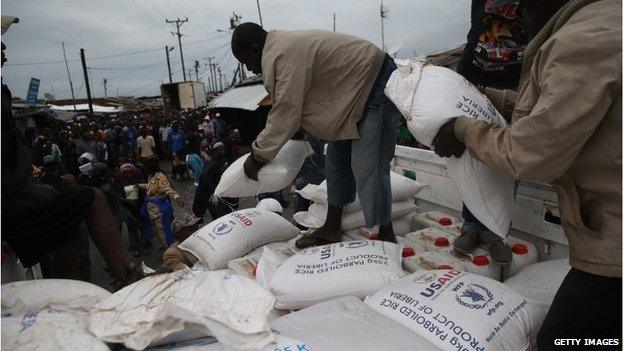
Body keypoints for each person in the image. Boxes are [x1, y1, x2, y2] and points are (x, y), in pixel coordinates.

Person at [432, 0, 621, 347]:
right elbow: (554, 108)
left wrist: (462, 129)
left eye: (523, 4)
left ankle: (487, 231)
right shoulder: (602, 21)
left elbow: (529, 154)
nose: (517, 14)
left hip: (615, 243)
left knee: (559, 340)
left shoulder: (581, 40)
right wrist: (492, 97)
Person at [231, 22, 401, 249]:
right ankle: (332, 227)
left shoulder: (283, 54)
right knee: (336, 162)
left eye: (246, 62)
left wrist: (257, 157)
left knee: (367, 165)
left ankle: (386, 233)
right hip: (349, 96)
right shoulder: (280, 51)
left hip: (374, 83)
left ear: (254, 48)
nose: (249, 69)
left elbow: (285, 111)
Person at [1, 15, 129, 285]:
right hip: (13, 204)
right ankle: (126, 277)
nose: (4, 51)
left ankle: (63, 296)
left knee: (71, 238)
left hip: (21, 195)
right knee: (93, 200)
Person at [452, 0, 527, 265]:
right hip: (475, 71)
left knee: (511, 152)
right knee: (471, 150)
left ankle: (496, 230)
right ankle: (471, 224)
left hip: (518, 76)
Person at [139, 161, 184, 250]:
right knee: (159, 230)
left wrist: (176, 197)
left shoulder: (160, 178)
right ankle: (168, 247)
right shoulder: (151, 176)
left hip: (159, 209)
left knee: (162, 231)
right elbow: (149, 187)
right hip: (153, 208)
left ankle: (170, 249)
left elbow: (167, 189)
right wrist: (139, 185)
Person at [115, 163, 150, 257]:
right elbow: (116, 195)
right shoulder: (119, 179)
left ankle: (145, 245)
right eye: (127, 174)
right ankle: (135, 247)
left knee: (143, 226)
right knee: (131, 228)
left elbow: (146, 189)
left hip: (140, 204)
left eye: (131, 173)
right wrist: (127, 201)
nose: (129, 175)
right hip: (128, 207)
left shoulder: (139, 176)